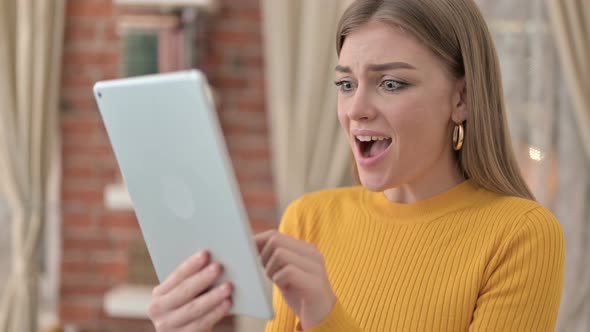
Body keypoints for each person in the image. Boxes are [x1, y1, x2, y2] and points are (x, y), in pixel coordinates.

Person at [147, 0, 565, 331]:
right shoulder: (309, 219)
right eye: (346, 84)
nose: (356, 109)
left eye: (391, 83)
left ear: (462, 99)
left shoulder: (521, 235)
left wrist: (327, 316)